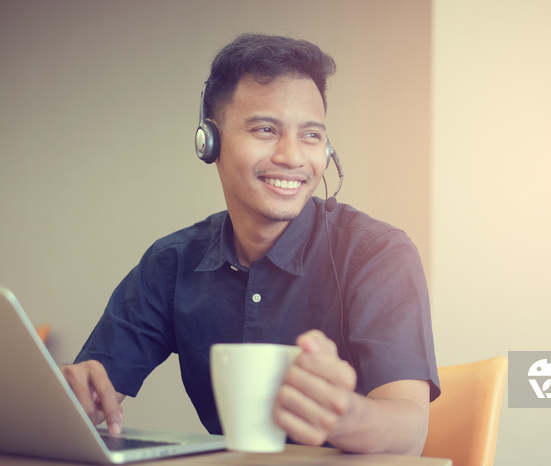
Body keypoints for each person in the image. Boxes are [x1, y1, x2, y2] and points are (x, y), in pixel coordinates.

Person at [60, 33, 439, 456]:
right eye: (265, 129)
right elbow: (88, 395)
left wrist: (344, 415)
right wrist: (71, 399)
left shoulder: (378, 253)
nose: (293, 157)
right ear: (211, 143)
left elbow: (410, 427)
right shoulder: (171, 264)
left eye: (311, 136)